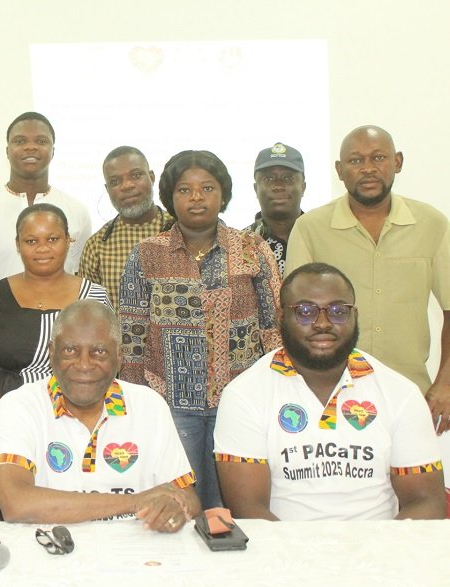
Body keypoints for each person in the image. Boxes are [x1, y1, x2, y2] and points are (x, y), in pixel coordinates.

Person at [214, 263, 445, 520]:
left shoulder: (400, 393)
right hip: (283, 544)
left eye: (338, 311)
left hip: (378, 543)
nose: (323, 323)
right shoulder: (244, 395)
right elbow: (250, 512)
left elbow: (426, 502)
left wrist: (375, 546)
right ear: (281, 317)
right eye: (305, 311)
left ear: (355, 316)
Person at [118, 150, 282, 509]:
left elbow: (274, 328)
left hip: (241, 402)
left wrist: (276, 393)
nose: (196, 197)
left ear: (223, 194)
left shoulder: (253, 249)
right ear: (169, 197)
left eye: (207, 188)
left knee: (237, 508)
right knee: (180, 506)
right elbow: (131, 336)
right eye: (184, 190)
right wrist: (135, 405)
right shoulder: (146, 254)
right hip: (170, 404)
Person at [285, 125, 450, 433]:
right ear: (339, 170)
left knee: (417, 466)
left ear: (398, 162)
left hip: (409, 395)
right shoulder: (311, 228)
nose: (368, 168)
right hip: (329, 396)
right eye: (356, 160)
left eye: (378, 157)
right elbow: (294, 316)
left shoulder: (432, 224)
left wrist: (446, 383)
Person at [0, 300, 200, 529]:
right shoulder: (20, 405)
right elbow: (15, 503)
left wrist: (173, 508)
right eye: (70, 350)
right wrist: (135, 502)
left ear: (119, 357)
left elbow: (188, 499)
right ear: (51, 354)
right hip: (50, 547)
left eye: (99, 352)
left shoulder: (149, 406)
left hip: (135, 549)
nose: (84, 365)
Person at [0, 204, 110, 517]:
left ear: (69, 240)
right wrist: (7, 417)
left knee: (75, 510)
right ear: (18, 244)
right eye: (31, 241)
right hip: (4, 417)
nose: (42, 248)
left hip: (77, 422)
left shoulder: (94, 296)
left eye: (52, 239)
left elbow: (107, 365)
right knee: (9, 513)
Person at [0, 111, 92, 295]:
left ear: (53, 151)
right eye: (20, 141)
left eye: (41, 141)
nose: (30, 147)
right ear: (7, 151)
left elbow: (78, 274)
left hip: (60, 313)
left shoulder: (77, 211)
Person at [78, 146, 174, 307]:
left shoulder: (182, 231)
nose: (127, 186)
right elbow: (89, 312)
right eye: (115, 181)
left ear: (151, 177)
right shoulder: (96, 246)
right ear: (107, 189)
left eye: (136, 175)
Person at [245, 142, 306, 275]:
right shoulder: (240, 245)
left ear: (303, 187)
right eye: (268, 179)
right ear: (256, 189)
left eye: (288, 178)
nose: (278, 186)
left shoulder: (320, 236)